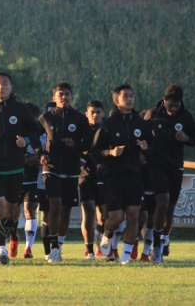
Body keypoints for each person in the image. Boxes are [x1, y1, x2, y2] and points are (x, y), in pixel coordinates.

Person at [0, 73, 42, 265]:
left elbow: (36, 131)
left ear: (11, 87)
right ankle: (0, 250)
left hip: (15, 168)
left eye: (5, 84)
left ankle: (10, 235)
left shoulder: (20, 109)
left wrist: (25, 141)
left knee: (12, 213)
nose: (1, 87)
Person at [92, 83, 152, 265]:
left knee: (134, 215)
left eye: (131, 96)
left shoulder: (140, 124)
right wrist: (110, 153)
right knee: (116, 219)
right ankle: (107, 234)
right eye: (125, 96)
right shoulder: (107, 124)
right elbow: (94, 151)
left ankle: (125, 256)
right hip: (114, 176)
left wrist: (146, 148)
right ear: (116, 100)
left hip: (134, 175)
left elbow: (152, 147)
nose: (129, 99)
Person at [144, 84, 195, 263]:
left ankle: (164, 239)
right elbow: (141, 134)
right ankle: (157, 247)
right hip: (156, 164)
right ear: (164, 100)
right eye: (171, 105)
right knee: (162, 201)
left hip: (175, 165)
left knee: (170, 208)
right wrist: (143, 151)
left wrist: (187, 139)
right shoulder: (152, 115)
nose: (174, 109)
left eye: (177, 106)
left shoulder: (185, 116)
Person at [38, 82, 93, 263]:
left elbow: (89, 143)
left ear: (71, 96)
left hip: (70, 170)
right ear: (54, 98)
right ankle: (53, 248)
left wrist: (75, 145)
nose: (64, 97)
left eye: (67, 94)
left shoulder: (79, 118)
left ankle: (58, 246)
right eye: (60, 94)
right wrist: (41, 154)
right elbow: (34, 138)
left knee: (66, 210)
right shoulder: (45, 118)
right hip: (51, 169)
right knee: (54, 205)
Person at [17, 102, 45, 260]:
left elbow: (42, 154)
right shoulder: (14, 131)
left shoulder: (39, 134)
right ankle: (13, 237)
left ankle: (28, 248)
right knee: (11, 214)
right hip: (14, 178)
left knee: (30, 211)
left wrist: (34, 158)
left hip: (32, 180)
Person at [79, 100, 104, 260]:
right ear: (86, 114)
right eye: (92, 112)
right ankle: (89, 250)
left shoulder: (106, 129)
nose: (95, 115)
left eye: (98, 112)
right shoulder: (81, 130)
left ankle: (99, 237)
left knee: (103, 216)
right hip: (85, 176)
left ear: (102, 113)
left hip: (104, 177)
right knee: (88, 214)